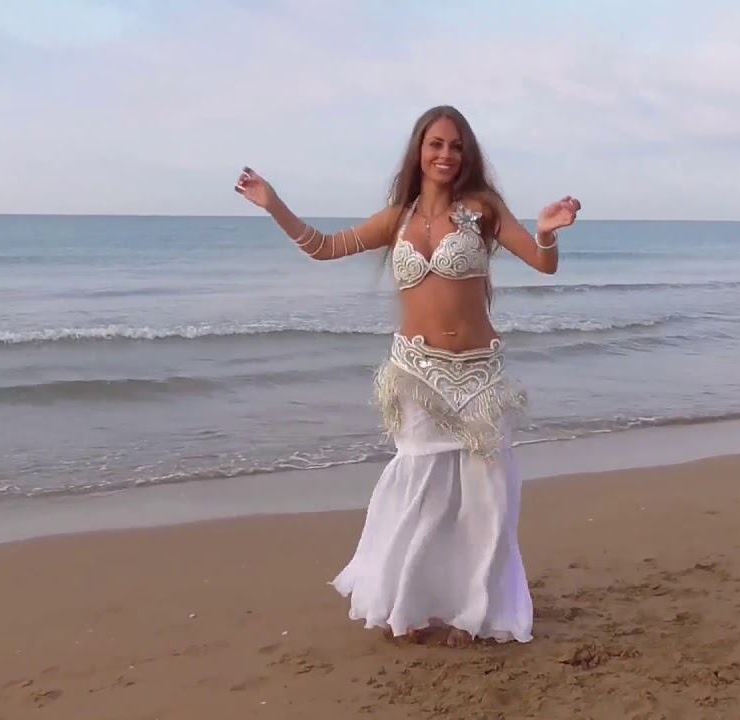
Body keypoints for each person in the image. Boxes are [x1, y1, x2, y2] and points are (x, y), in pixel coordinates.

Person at [234, 104, 581, 647]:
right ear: (419, 150)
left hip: (479, 376)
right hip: (416, 372)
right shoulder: (397, 218)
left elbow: (544, 264)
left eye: (456, 146)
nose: (446, 155)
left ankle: (474, 613)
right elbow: (324, 247)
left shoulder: (483, 209)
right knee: (420, 493)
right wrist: (273, 203)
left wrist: (546, 233)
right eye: (436, 144)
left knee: (486, 498)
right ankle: (412, 605)